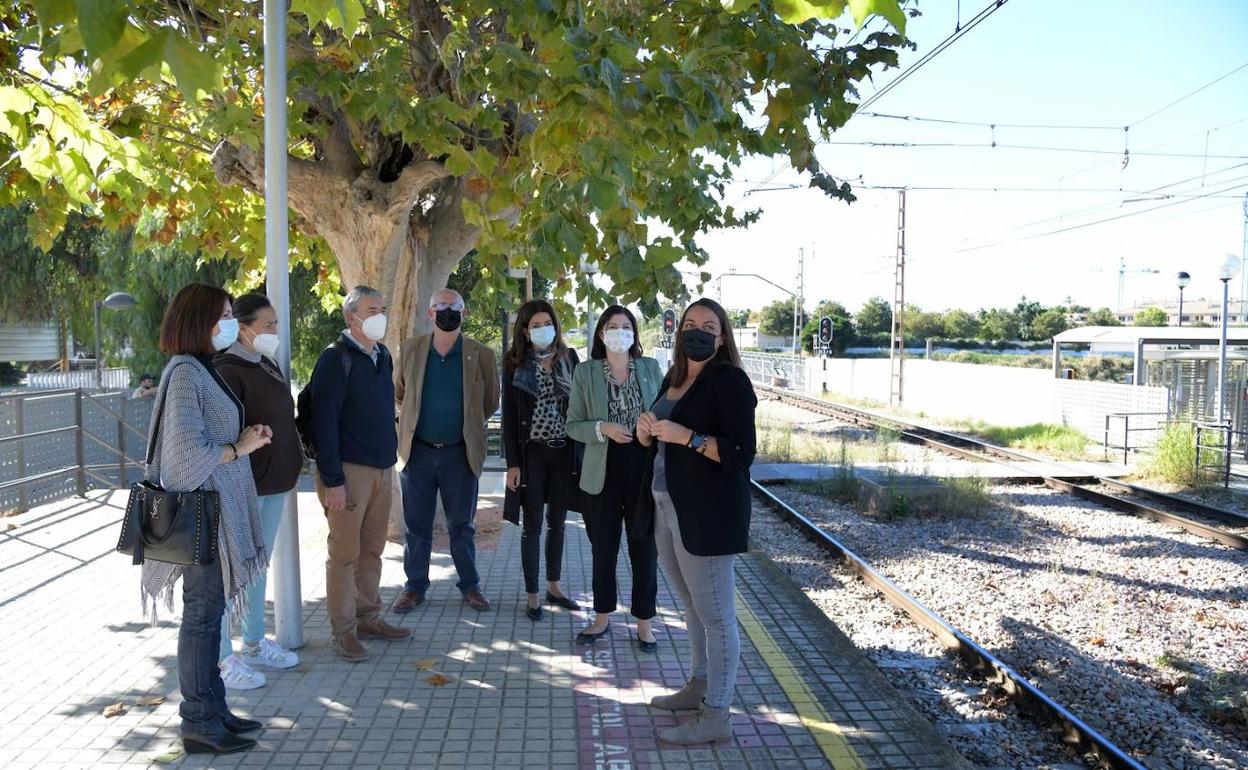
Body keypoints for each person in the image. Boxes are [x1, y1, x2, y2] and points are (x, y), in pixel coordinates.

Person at [140, 283, 273, 755]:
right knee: (201, 620)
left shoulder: (199, 368)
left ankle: (214, 711)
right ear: (200, 320)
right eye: (223, 314)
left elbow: (202, 438)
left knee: (209, 617)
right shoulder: (185, 373)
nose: (230, 323)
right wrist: (239, 447)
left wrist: (241, 435)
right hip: (204, 517)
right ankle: (198, 721)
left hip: (215, 512)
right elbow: (182, 461)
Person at [637, 298, 757, 745]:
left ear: (722, 336)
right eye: (690, 324)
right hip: (667, 506)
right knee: (691, 606)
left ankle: (717, 714)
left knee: (718, 617)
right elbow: (659, 441)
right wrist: (648, 429)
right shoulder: (675, 378)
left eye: (709, 326)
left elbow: (742, 453)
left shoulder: (730, 381)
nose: (698, 332)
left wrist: (688, 437)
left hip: (707, 514)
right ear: (678, 331)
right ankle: (699, 685)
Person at [308, 286, 411, 662]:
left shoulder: (381, 355)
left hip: (383, 469)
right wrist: (333, 480)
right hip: (349, 474)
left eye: (383, 307)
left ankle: (369, 618)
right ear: (352, 316)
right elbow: (324, 424)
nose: (380, 315)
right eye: (372, 309)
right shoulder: (335, 360)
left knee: (372, 551)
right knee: (344, 555)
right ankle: (343, 632)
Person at [213, 294, 303, 689]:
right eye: (268, 325)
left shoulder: (265, 363)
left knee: (257, 568)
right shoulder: (225, 370)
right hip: (244, 487)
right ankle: (221, 658)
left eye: (276, 324)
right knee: (230, 574)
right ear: (245, 328)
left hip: (276, 483)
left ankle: (253, 643)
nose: (274, 332)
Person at [392, 288, 500, 614]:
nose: (447, 312)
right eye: (441, 306)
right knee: (416, 526)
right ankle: (414, 588)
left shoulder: (480, 353)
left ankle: (470, 586)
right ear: (429, 313)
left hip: (460, 452)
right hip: (418, 452)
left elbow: (490, 400)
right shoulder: (410, 351)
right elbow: (399, 393)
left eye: (454, 307)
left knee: (462, 525)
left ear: (464, 313)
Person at [566, 305, 663, 649]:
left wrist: (652, 428)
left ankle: (644, 623)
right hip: (601, 473)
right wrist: (601, 427)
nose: (620, 331)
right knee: (603, 549)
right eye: (612, 326)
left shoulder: (651, 368)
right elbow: (572, 425)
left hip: (642, 470)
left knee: (644, 549)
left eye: (626, 326)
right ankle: (603, 616)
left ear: (634, 333)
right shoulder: (586, 373)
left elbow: (666, 413)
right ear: (601, 334)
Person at [501, 300, 580, 621]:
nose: (543, 328)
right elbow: (509, 416)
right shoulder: (514, 364)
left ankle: (554, 587)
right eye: (535, 324)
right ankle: (532, 594)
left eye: (547, 322)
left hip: (564, 452)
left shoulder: (570, 358)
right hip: (531, 454)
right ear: (525, 330)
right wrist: (513, 464)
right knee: (531, 526)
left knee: (558, 524)